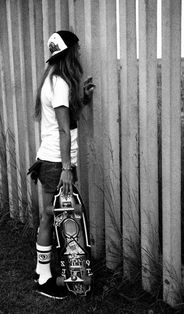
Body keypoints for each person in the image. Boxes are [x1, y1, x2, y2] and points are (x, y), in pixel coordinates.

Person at [31, 30, 95, 299]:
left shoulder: (53, 80)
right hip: (57, 161)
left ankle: (42, 271)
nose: (80, 53)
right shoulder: (60, 82)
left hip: (53, 159)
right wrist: (67, 169)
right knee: (50, 214)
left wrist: (83, 100)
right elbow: (63, 130)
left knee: (52, 214)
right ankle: (43, 278)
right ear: (69, 53)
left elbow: (67, 119)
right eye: (77, 49)